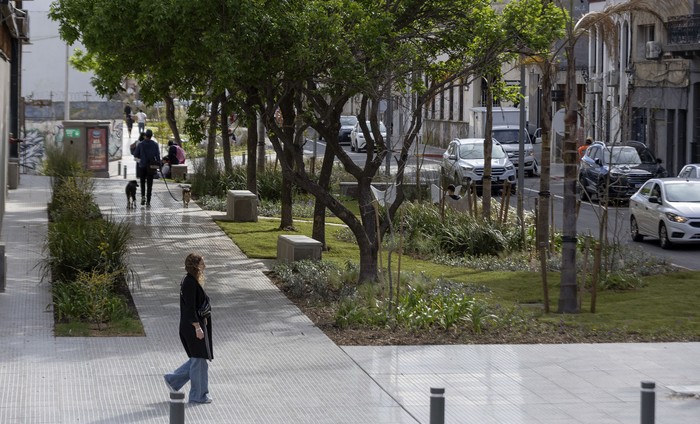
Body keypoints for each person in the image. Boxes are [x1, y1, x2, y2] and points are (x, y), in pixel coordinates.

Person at [164, 253, 213, 404]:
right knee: (199, 360)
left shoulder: (189, 281)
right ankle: (198, 395)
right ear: (196, 266)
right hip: (193, 327)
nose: (204, 266)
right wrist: (198, 328)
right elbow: (190, 308)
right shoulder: (189, 283)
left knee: (198, 359)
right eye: (202, 263)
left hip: (192, 326)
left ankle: (173, 379)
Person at [133, 129, 161, 207]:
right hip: (151, 167)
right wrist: (159, 165)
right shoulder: (155, 144)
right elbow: (158, 156)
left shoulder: (141, 144)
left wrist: (141, 156)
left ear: (145, 135)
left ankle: (143, 197)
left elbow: (135, 154)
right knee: (149, 184)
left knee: (142, 183)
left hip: (142, 166)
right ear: (151, 136)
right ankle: (148, 201)